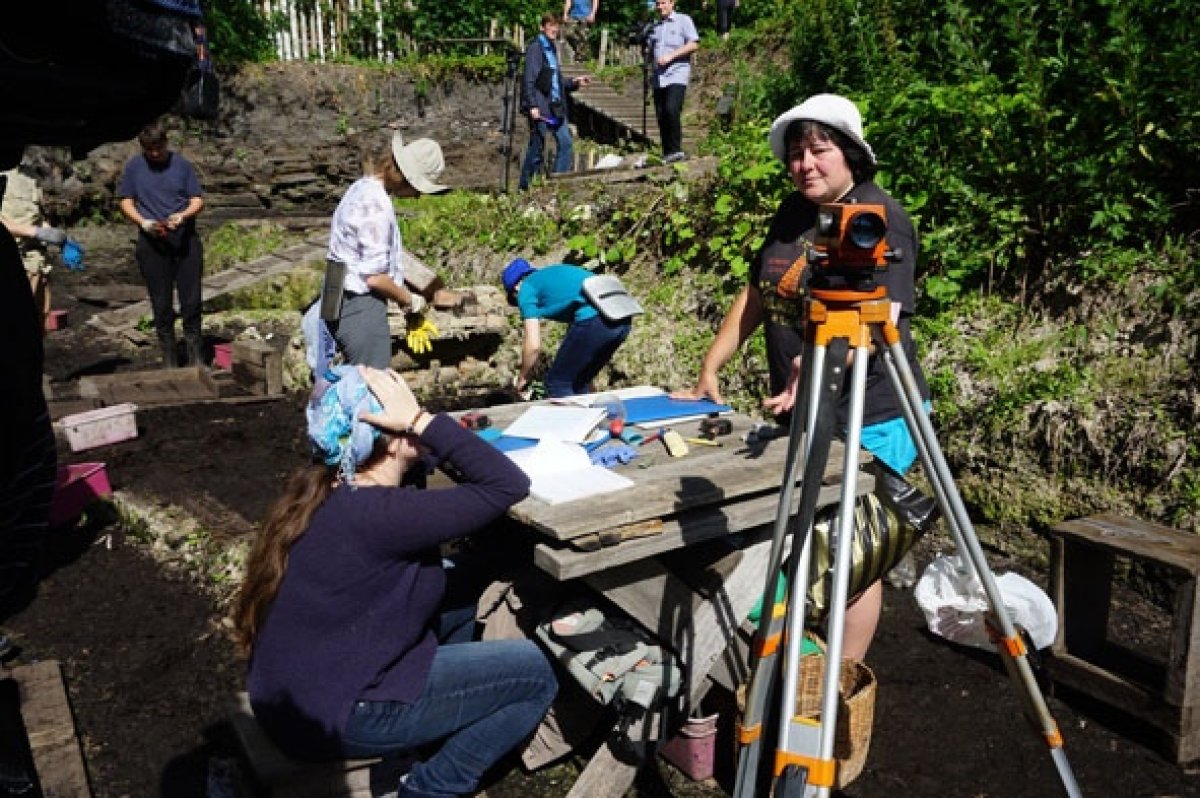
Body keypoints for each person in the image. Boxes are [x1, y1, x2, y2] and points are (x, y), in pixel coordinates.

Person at [674, 94, 932, 661]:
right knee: (808, 536)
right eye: (796, 154)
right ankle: (802, 657)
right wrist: (709, 367)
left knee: (851, 553)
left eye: (820, 150)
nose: (806, 164)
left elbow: (880, 318)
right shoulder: (793, 214)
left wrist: (813, 362)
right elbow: (757, 294)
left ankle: (840, 677)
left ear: (851, 155)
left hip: (873, 411)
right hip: (806, 406)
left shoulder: (878, 218)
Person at [232, 365, 555, 798]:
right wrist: (424, 423)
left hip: (299, 692)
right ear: (394, 436)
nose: (419, 414)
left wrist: (418, 435)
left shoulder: (329, 487)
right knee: (535, 675)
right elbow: (507, 485)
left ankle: (446, 717)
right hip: (338, 716)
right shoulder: (385, 515)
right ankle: (431, 787)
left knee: (462, 586)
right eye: (408, 412)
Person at [321, 133, 447, 369]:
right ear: (403, 178)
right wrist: (410, 300)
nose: (418, 195)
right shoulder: (376, 207)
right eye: (416, 187)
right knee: (373, 385)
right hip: (360, 305)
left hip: (335, 290)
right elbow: (375, 279)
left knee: (342, 380)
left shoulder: (360, 188)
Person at [117, 121, 206, 368]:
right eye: (150, 150)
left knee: (191, 300)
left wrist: (183, 215)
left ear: (166, 143)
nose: (155, 154)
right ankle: (169, 357)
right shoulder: (135, 167)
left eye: (158, 148)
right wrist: (144, 222)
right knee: (161, 302)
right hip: (152, 242)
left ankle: (196, 355)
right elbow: (126, 200)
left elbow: (197, 199)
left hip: (184, 239)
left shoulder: (181, 166)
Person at [503, 259, 633, 399]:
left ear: (515, 287)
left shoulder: (526, 287)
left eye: (515, 300)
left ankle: (575, 419)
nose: (519, 303)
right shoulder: (552, 275)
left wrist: (523, 376)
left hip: (596, 318)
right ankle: (597, 416)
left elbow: (533, 345)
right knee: (579, 381)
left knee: (557, 383)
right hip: (623, 317)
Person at [518, 14, 592, 191]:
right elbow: (529, 79)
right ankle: (525, 188)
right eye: (551, 26)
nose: (554, 29)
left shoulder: (551, 49)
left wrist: (574, 82)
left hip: (556, 107)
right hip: (542, 109)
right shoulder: (536, 49)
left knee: (566, 143)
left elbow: (556, 81)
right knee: (537, 147)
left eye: (556, 26)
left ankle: (557, 186)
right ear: (542, 27)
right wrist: (532, 105)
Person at [0, 165, 70, 333]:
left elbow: (37, 216)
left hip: (36, 263)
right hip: (11, 262)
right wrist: (34, 232)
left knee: (38, 324)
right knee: (14, 326)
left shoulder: (30, 175)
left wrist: (55, 235)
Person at [647, 0, 699, 164]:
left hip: (677, 74)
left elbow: (693, 44)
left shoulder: (683, 20)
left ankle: (676, 150)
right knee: (661, 114)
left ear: (672, 3)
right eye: (657, 4)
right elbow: (649, 50)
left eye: (663, 3)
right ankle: (667, 153)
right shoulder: (655, 27)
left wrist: (672, 56)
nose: (660, 7)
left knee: (671, 109)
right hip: (658, 77)